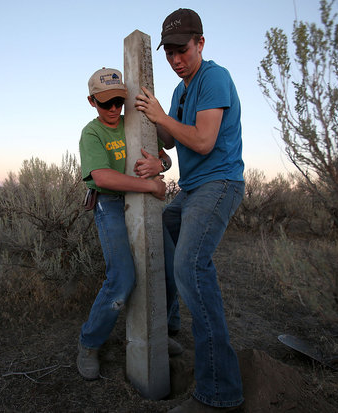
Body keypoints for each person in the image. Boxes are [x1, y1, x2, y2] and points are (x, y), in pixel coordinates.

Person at [135, 8, 245, 412]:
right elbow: (170, 137)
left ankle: (220, 393)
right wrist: (150, 116)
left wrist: (163, 117)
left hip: (219, 183)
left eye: (182, 50)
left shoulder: (215, 77)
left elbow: (201, 141)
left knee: (190, 266)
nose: (176, 59)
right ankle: (169, 329)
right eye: (169, 53)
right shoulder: (181, 92)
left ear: (201, 43)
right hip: (194, 188)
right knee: (159, 232)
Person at [77, 67, 181, 380]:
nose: (113, 109)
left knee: (169, 269)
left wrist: (158, 164)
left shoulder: (133, 124)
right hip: (110, 204)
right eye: (105, 103)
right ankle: (89, 343)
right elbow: (103, 177)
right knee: (122, 278)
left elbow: (165, 159)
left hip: (142, 204)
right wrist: (151, 185)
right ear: (92, 101)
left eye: (118, 102)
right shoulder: (91, 133)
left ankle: (157, 335)